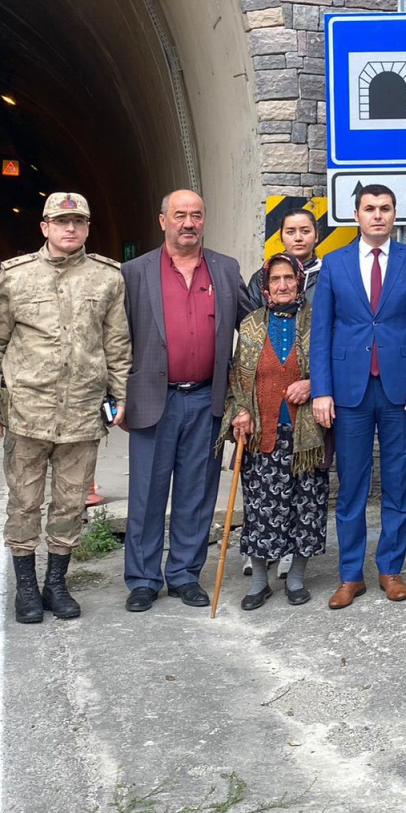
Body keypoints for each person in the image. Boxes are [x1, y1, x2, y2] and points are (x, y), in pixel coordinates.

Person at [0, 192, 130, 624]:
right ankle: (26, 589)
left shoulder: (107, 279)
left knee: (69, 503)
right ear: (44, 227)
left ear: (87, 228)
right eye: (61, 222)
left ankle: (56, 583)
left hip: (82, 412)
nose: (70, 230)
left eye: (78, 223)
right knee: (24, 502)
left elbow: (117, 343)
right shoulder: (14, 277)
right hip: (28, 411)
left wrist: (118, 397)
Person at [309, 183, 406, 608]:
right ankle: (350, 575)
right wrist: (322, 391)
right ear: (357, 216)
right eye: (369, 208)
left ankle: (390, 569)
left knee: (399, 482)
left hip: (401, 390)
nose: (377, 215)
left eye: (384, 208)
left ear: (394, 215)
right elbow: (322, 333)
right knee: (352, 486)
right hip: (349, 391)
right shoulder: (334, 263)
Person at [120, 190, 245, 611]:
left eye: (196, 215)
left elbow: (254, 326)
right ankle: (142, 579)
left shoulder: (225, 270)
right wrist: (114, 396)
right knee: (147, 494)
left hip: (206, 400)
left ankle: (185, 574)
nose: (188, 223)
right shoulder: (135, 273)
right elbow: (115, 340)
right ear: (163, 221)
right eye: (180, 215)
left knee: (197, 493)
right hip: (154, 400)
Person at [222, 254, 329, 609]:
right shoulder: (252, 325)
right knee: (262, 508)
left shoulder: (318, 322)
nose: (282, 285)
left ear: (300, 282)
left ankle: (296, 577)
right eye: (275, 280)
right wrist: (240, 411)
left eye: (289, 278)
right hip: (263, 432)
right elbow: (238, 376)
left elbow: (334, 367)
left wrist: (313, 384)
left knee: (306, 506)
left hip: (305, 435)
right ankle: (259, 582)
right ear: (265, 287)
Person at [240, 207, 322, 313]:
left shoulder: (327, 275)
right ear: (282, 238)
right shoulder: (262, 278)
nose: (298, 238)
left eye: (305, 231)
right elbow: (249, 320)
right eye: (290, 232)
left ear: (316, 236)